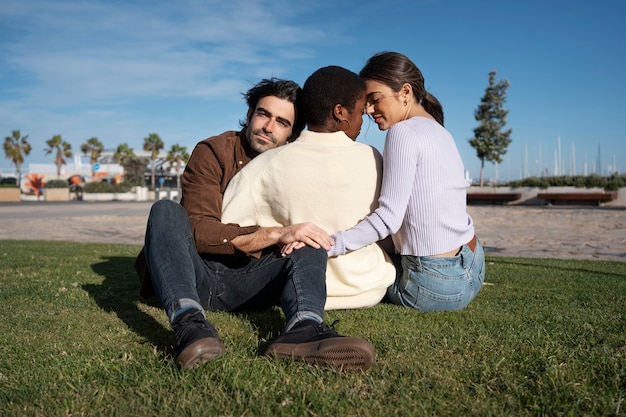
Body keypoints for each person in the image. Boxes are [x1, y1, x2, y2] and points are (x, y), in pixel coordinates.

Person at [135, 78, 375, 371]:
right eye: (263, 114)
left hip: (249, 279)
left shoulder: (293, 161)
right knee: (166, 210)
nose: (268, 127)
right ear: (250, 115)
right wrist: (276, 233)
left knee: (310, 237)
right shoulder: (213, 151)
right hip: (195, 272)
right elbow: (199, 229)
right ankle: (189, 324)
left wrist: (296, 234)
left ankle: (305, 328)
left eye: (282, 122)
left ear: (292, 134)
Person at [222, 66, 396, 310]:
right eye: (359, 113)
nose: (361, 121)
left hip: (292, 288)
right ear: (340, 113)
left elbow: (229, 231)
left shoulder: (265, 165)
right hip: (367, 287)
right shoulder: (372, 157)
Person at [322, 52, 485, 312]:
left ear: (405, 92)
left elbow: (389, 219)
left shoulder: (403, 132)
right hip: (473, 267)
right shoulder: (441, 131)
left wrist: (331, 245)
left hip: (434, 285)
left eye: (375, 100)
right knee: (371, 247)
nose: (369, 111)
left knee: (354, 267)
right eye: (366, 104)